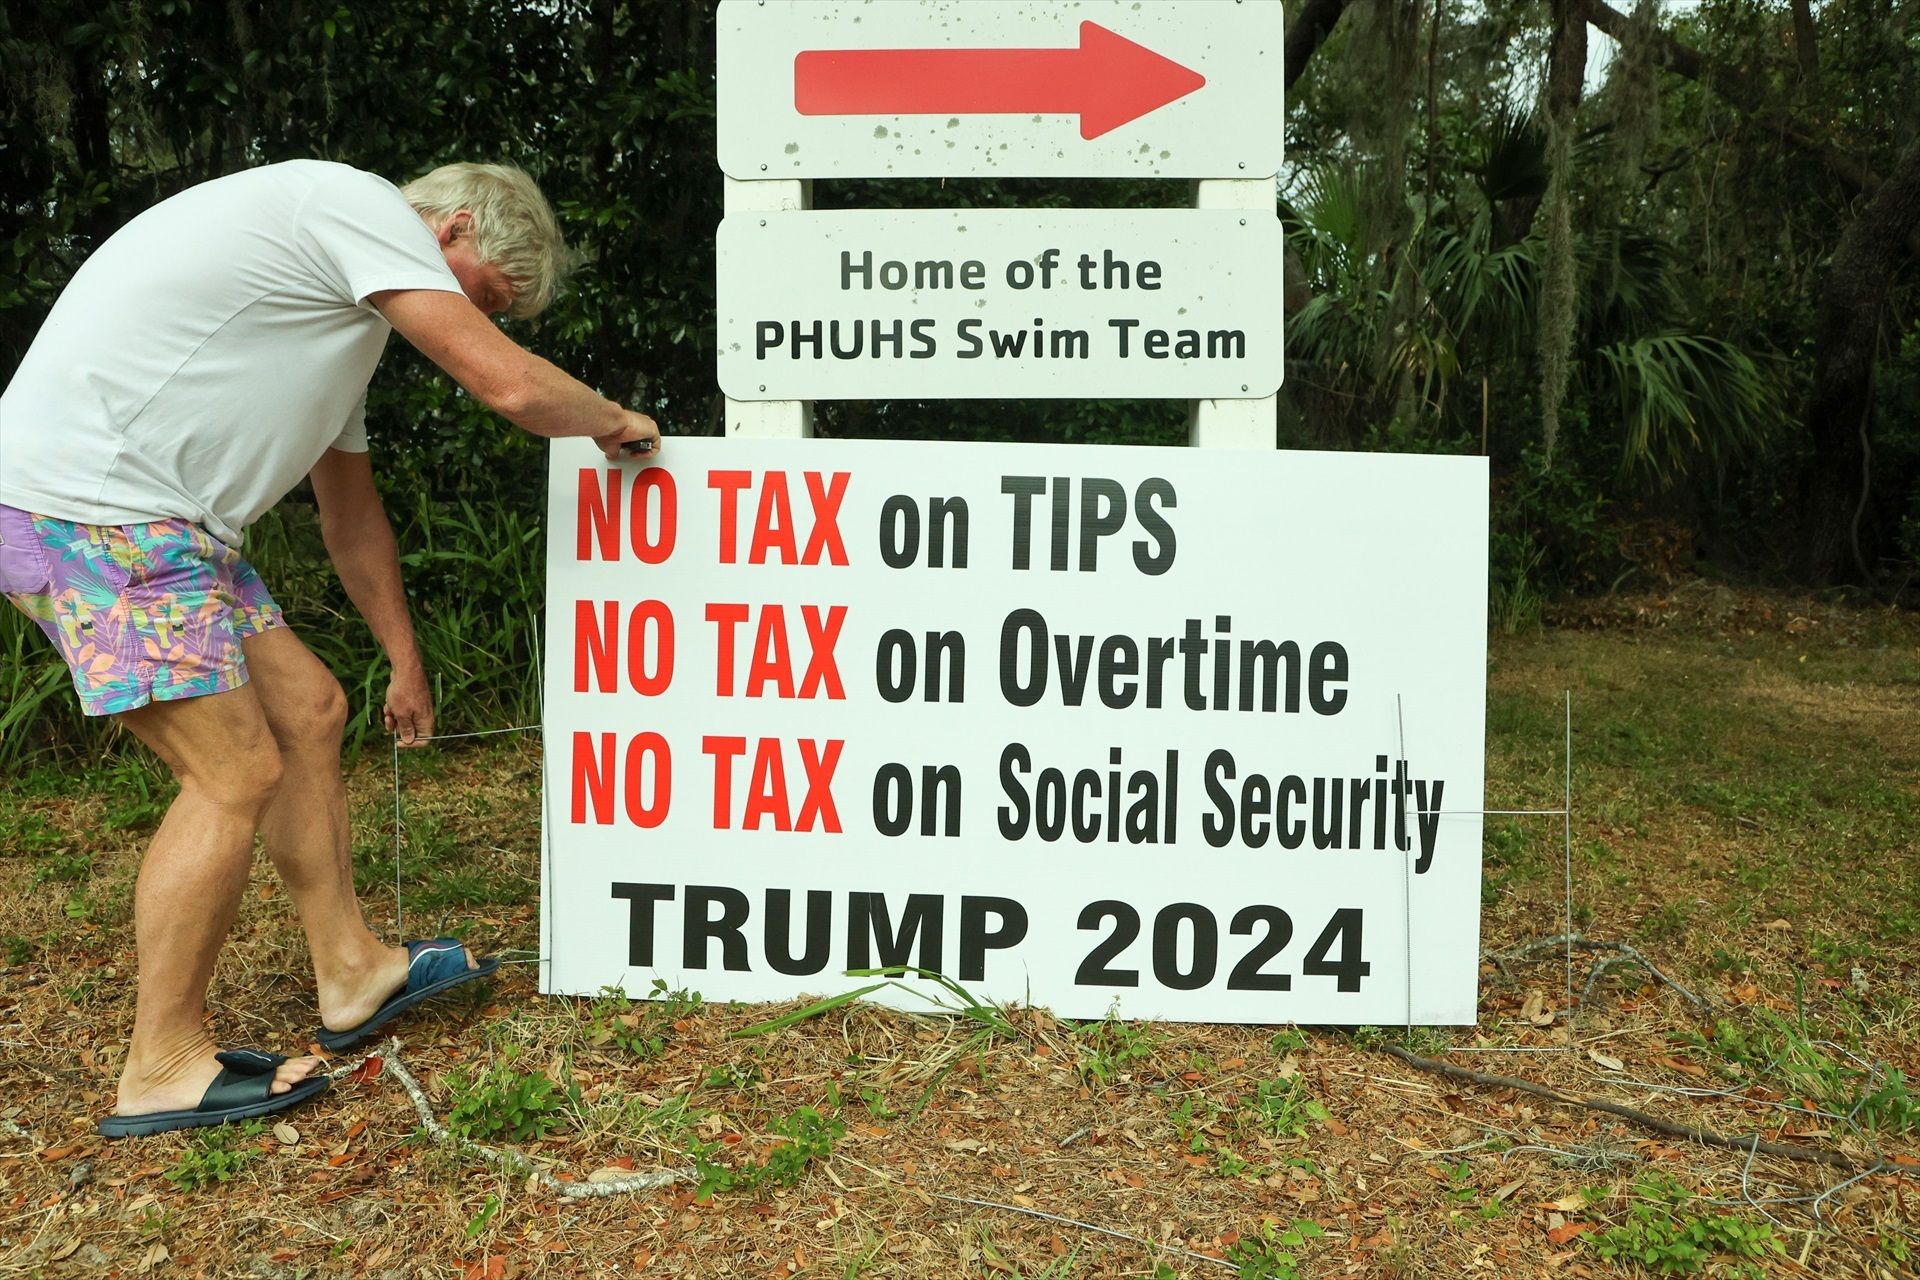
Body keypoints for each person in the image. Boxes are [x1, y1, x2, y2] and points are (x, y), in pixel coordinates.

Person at [0, 159, 659, 1137]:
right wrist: (616, 423)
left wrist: (404, 656)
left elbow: (351, 517)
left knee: (309, 708)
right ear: (454, 226)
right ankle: (161, 1061)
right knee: (231, 770)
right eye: (487, 295)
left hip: (162, 524)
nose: (477, 319)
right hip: (93, 510)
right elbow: (507, 384)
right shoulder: (352, 208)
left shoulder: (336, 321)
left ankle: (352, 972)